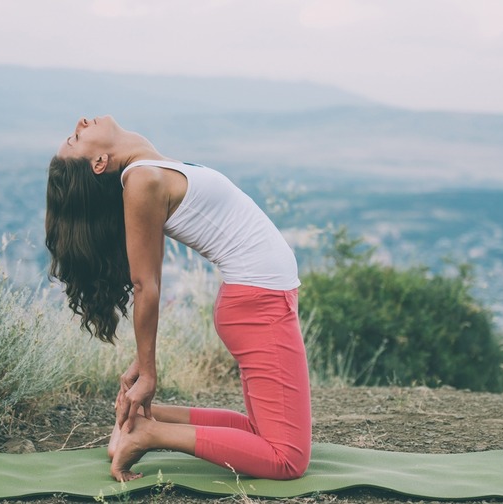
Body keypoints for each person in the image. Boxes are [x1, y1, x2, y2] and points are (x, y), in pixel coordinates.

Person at [45, 115, 312, 482]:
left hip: (257, 301)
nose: (81, 123)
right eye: (76, 137)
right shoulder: (142, 180)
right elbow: (146, 284)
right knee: (287, 459)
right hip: (258, 307)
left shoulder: (147, 168)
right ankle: (147, 434)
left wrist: (143, 365)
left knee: (258, 431)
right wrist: (147, 370)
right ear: (99, 162)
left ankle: (141, 419)